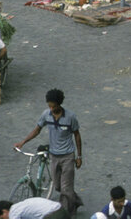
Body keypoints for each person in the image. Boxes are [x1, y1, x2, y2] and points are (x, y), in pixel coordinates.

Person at [14, 88, 83, 218]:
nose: (51, 109)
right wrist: (23, 142)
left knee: (66, 189)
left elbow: (77, 135)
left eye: (54, 106)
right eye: (49, 106)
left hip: (68, 156)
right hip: (54, 156)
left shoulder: (71, 117)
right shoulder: (46, 115)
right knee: (58, 186)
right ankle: (76, 201)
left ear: (60, 104)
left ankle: (67, 214)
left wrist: (79, 156)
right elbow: (37, 130)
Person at [0, 198, 65, 219]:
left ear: (4, 211)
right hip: (62, 211)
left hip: (52, 216)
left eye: (2, 218)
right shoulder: (22, 204)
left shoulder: (13, 212)